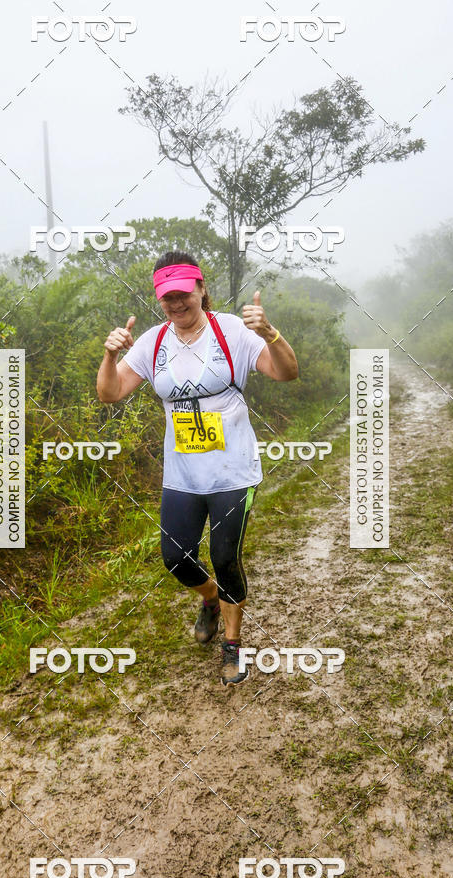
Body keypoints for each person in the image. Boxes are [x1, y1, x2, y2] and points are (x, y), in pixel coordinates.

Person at [96, 250, 298, 685]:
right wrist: (110, 356)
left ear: (202, 289)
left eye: (184, 294)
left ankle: (232, 646)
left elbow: (286, 373)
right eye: (167, 297)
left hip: (233, 472)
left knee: (225, 558)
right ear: (159, 299)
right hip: (183, 474)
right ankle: (209, 599)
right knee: (176, 558)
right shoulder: (153, 342)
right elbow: (110, 394)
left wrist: (271, 333)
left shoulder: (232, 332)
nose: (176, 304)